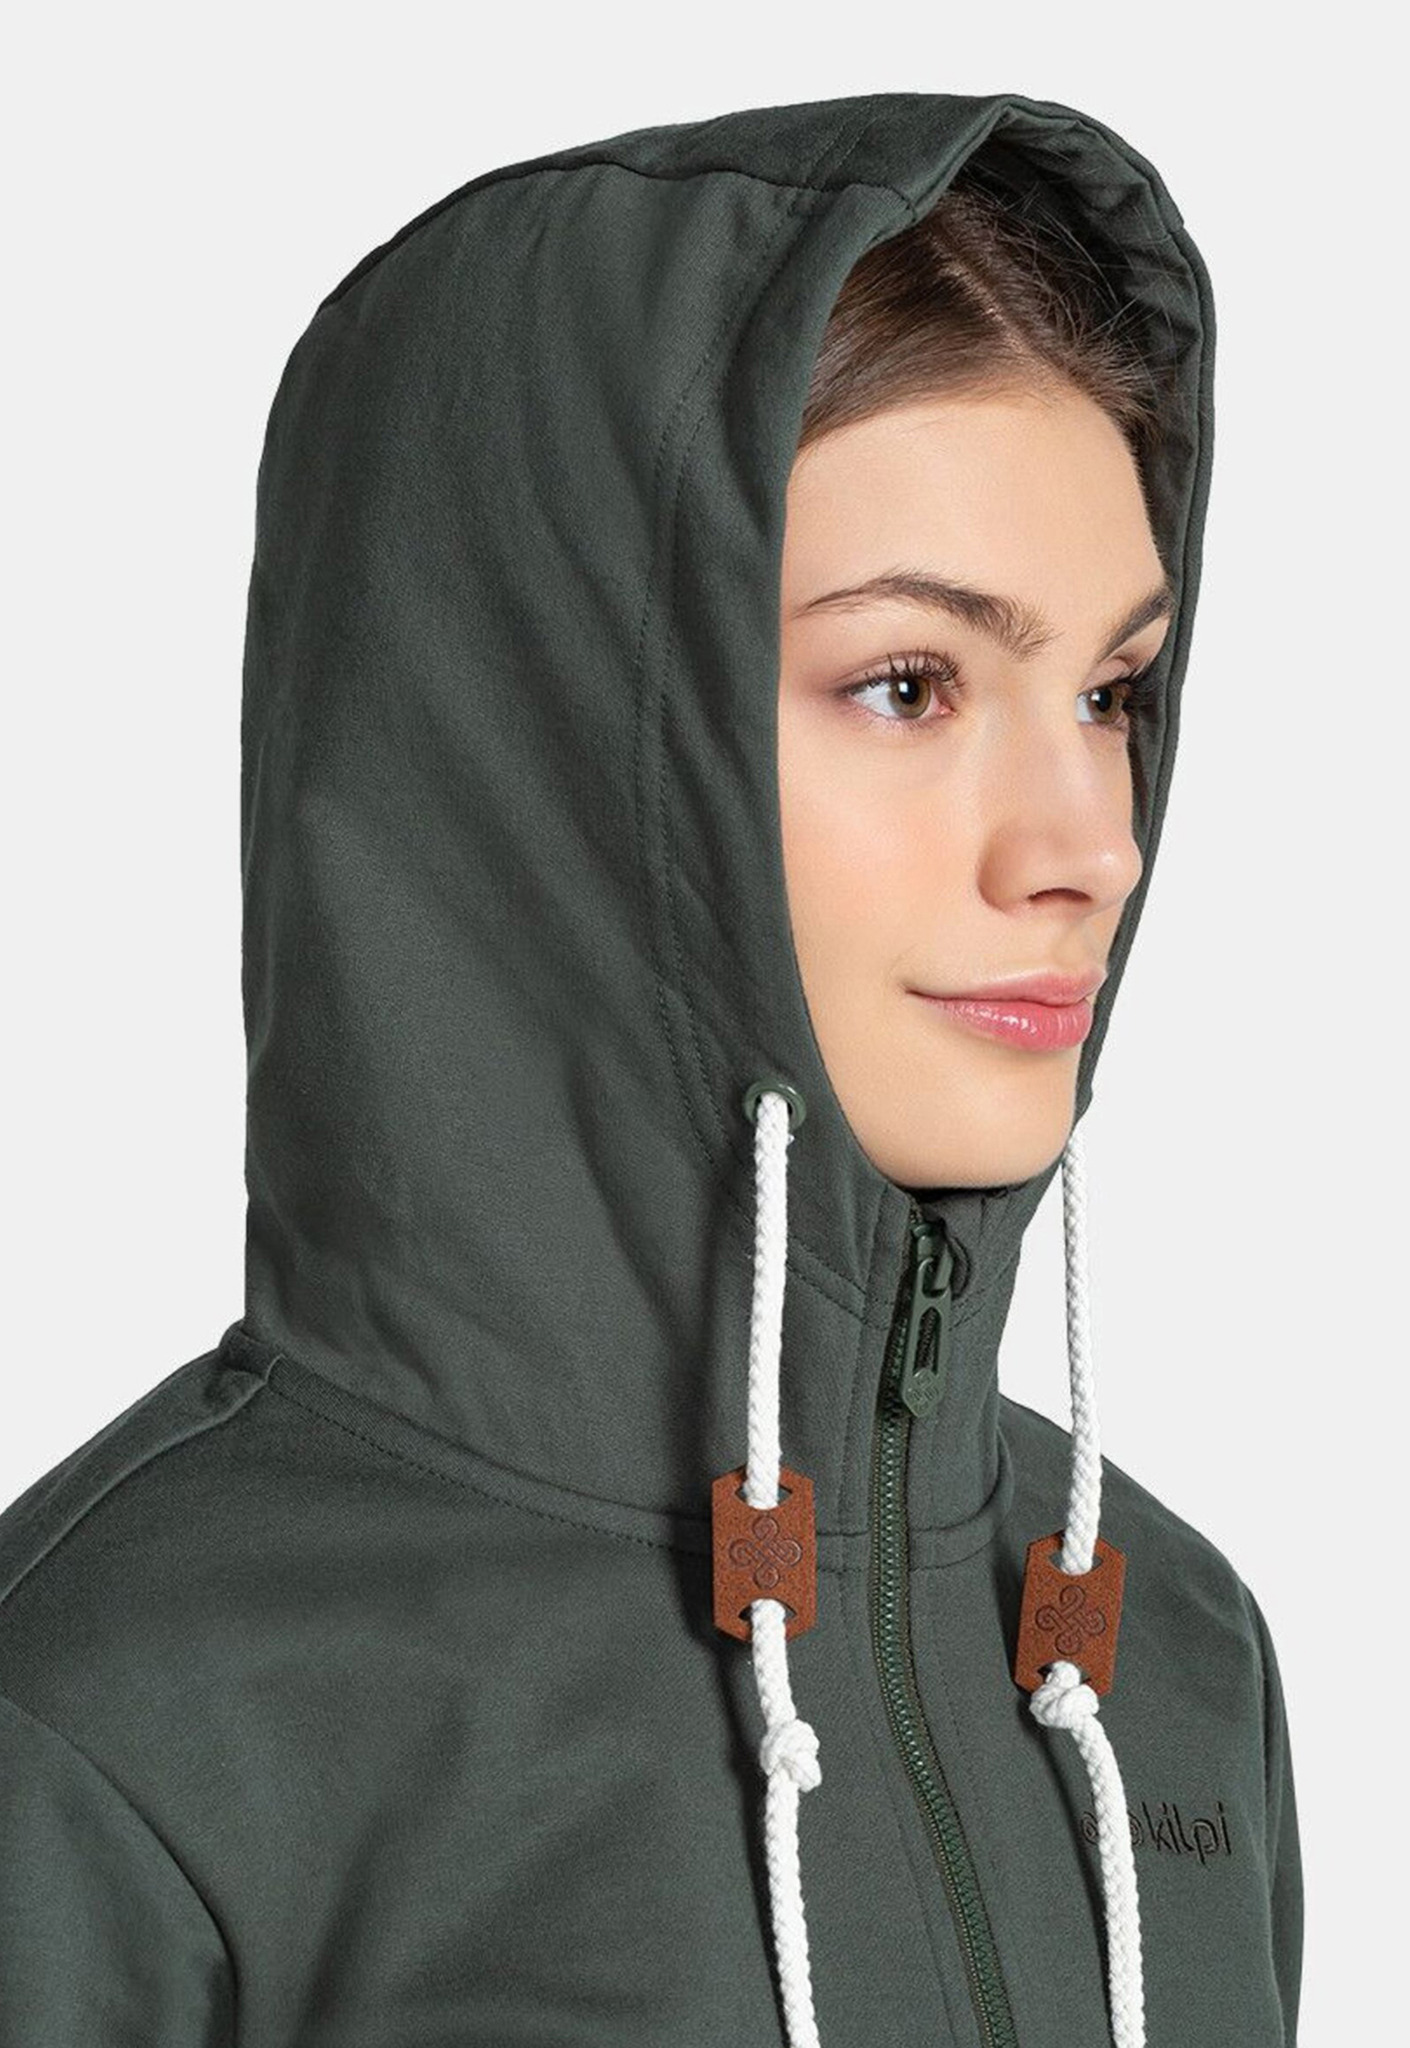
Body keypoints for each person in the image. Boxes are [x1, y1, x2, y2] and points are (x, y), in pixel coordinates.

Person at [0, 89, 1302, 2048]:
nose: (1085, 844)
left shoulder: (1167, 1658)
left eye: (1110, 692)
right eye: (909, 683)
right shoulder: (119, 1726)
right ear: (544, 742)